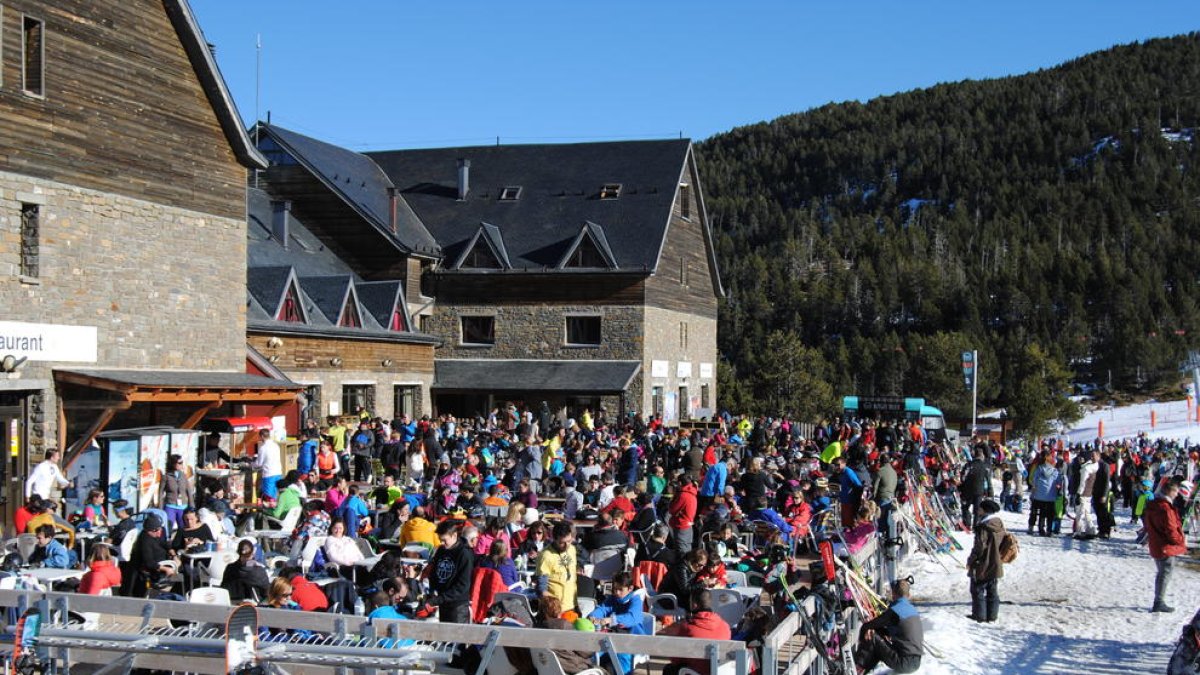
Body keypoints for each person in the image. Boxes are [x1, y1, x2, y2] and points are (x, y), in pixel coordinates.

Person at [854, 578, 923, 674]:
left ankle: (857, 668)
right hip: (916, 662)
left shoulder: (895, 610)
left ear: (893, 594)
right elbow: (899, 631)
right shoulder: (913, 610)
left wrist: (863, 636)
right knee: (879, 640)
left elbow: (869, 626)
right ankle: (866, 670)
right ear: (908, 595)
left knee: (873, 636)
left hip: (903, 662)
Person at [659, 588, 732, 675]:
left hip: (694, 672)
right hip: (719, 671)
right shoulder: (725, 626)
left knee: (669, 669)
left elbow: (676, 659)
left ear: (694, 605)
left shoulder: (687, 628)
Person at [1145, 477, 1187, 612]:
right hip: (1166, 547)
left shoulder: (1154, 505)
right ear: (1170, 491)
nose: (1177, 494)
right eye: (1176, 491)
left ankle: (1159, 600)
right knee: (1165, 573)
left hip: (1157, 544)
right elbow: (1171, 529)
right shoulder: (1165, 508)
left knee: (1162, 572)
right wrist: (1180, 541)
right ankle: (1159, 601)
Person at [424, 519, 474, 623]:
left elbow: (462, 586)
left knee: (456, 638)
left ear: (454, 536)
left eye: (444, 540)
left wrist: (438, 599)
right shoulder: (441, 550)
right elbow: (434, 573)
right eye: (440, 539)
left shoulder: (465, 554)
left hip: (457, 606)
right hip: (443, 602)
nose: (442, 543)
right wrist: (432, 591)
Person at [966, 499, 1005, 622]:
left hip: (983, 563)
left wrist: (971, 560)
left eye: (980, 508)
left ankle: (980, 616)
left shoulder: (983, 527)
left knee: (977, 590)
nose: (978, 510)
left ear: (985, 510)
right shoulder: (999, 524)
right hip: (996, 562)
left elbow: (980, 547)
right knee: (992, 590)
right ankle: (992, 616)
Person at [536, 521, 578, 614]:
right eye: (562, 543)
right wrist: (553, 609)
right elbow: (541, 588)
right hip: (555, 610)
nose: (567, 545)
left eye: (569, 541)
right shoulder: (546, 556)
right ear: (554, 539)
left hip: (571, 605)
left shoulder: (572, 549)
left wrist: (576, 605)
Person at [221, 538, 270, 603]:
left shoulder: (229, 568)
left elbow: (223, 588)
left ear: (238, 553)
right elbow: (266, 591)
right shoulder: (258, 571)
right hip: (253, 605)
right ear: (253, 553)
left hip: (230, 603)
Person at [1028, 452, 1062, 536]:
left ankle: (1040, 529)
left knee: (1041, 513)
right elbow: (1059, 482)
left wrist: (1034, 490)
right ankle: (1049, 530)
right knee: (1050, 514)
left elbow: (1034, 480)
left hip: (1039, 495)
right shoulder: (1055, 471)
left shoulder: (1039, 469)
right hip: (1050, 496)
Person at [161, 454, 193, 531]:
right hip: (170, 505)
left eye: (182, 462)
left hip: (183, 506)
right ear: (173, 463)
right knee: (168, 527)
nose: (181, 464)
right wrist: (160, 507)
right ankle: (167, 541)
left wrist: (191, 506)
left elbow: (188, 491)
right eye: (179, 463)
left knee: (183, 527)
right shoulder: (166, 476)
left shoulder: (183, 475)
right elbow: (160, 492)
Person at [668, 478, 698, 553]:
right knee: (687, 547)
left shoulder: (683, 495)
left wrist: (673, 500)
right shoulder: (692, 493)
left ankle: (682, 564)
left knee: (681, 549)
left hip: (681, 525)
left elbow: (672, 510)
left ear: (680, 483)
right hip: (688, 524)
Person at [253, 429, 284, 500]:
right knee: (276, 495)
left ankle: (269, 510)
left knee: (268, 497)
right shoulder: (276, 445)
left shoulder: (263, 448)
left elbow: (259, 463)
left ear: (262, 436)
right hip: (278, 472)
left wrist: (251, 464)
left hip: (269, 474)